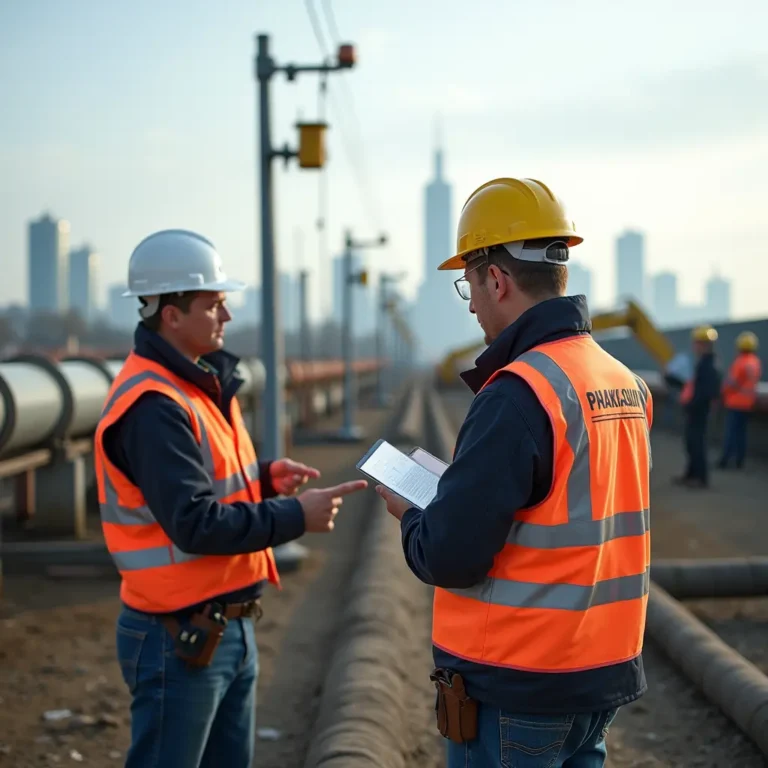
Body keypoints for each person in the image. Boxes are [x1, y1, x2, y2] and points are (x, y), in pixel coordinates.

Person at [376, 178, 653, 768]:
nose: (472, 304)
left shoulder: (517, 394)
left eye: (469, 285)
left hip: (518, 686)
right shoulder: (624, 384)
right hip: (598, 677)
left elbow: (450, 556)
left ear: (496, 280)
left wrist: (413, 515)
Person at [93, 229, 367, 768]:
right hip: (179, 636)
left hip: (223, 626)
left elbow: (198, 483)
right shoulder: (154, 405)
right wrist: (295, 515)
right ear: (171, 314)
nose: (227, 316)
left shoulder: (197, 384)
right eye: (214, 303)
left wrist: (263, 478)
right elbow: (194, 522)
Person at [674, 325, 721, 488]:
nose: (695, 346)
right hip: (696, 409)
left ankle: (700, 478)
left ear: (703, 344)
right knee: (691, 442)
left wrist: (693, 405)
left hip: (699, 410)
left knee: (697, 443)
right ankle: (691, 474)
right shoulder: (704, 362)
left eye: (697, 343)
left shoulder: (708, 365)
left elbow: (706, 391)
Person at [718, 331, 762, 470]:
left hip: (735, 402)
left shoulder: (740, 362)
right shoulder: (755, 362)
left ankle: (725, 460)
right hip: (748, 404)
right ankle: (739, 461)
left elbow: (731, 383)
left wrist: (722, 393)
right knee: (741, 434)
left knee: (731, 433)